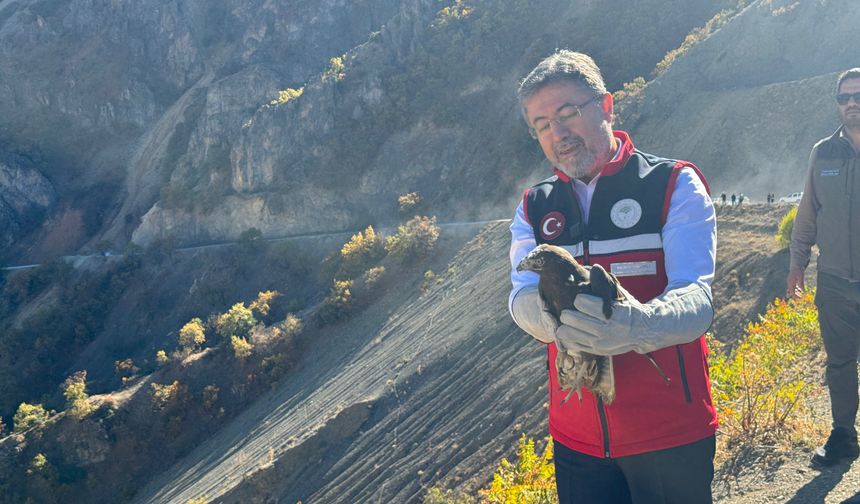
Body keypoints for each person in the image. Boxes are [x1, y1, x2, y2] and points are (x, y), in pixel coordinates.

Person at [508, 50, 717, 504]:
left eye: (567, 113)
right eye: (542, 124)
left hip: (670, 435)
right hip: (576, 437)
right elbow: (521, 293)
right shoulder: (534, 206)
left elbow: (696, 296)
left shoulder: (673, 184)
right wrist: (552, 323)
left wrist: (639, 326)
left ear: (605, 106)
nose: (558, 133)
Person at [788, 67, 860, 468]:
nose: (852, 103)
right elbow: (808, 214)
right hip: (833, 280)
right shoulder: (823, 152)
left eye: (859, 96)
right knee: (839, 362)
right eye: (844, 97)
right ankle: (844, 435)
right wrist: (796, 265)